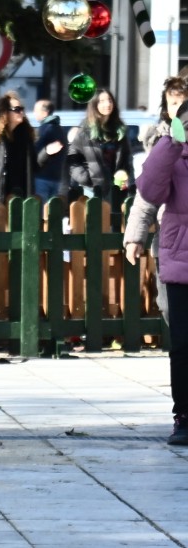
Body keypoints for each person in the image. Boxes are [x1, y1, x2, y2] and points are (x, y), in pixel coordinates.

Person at [134, 104, 188, 446]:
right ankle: (183, 415)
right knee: (182, 344)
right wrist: (171, 143)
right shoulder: (173, 154)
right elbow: (149, 190)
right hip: (180, 260)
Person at [123, 76, 188, 327]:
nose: (178, 108)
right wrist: (135, 237)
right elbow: (145, 196)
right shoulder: (159, 141)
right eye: (173, 103)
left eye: (183, 102)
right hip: (169, 237)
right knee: (168, 305)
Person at [67, 88, 136, 230]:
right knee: (94, 228)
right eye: (102, 101)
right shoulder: (85, 130)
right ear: (94, 105)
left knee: (114, 230)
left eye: (109, 100)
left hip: (116, 189)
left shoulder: (120, 130)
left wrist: (129, 180)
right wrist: (85, 178)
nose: (107, 104)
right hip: (92, 190)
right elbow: (72, 159)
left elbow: (127, 160)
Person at [0, 95, 43, 201]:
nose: (21, 112)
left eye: (22, 109)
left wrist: (46, 153)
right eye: (17, 109)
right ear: (5, 112)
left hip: (18, 193)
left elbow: (34, 166)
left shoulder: (25, 137)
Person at [32, 99, 69, 202]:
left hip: (42, 177)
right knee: (52, 211)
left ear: (44, 113)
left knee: (41, 212)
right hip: (57, 177)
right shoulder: (60, 130)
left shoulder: (44, 129)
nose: (34, 113)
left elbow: (35, 153)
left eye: (36, 110)